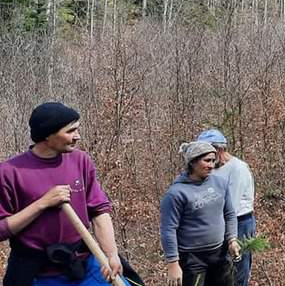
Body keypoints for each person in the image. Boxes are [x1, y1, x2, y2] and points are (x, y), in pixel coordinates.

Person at [0, 102, 134, 286]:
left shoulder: (81, 161)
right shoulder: (10, 172)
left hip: (84, 263)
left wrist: (111, 254)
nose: (77, 136)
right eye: (70, 131)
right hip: (37, 273)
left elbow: (100, 211)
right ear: (47, 135)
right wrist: (42, 203)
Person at [160, 141, 240, 286]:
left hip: (220, 255)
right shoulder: (176, 193)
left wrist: (232, 239)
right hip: (192, 259)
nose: (211, 165)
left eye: (213, 160)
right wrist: (173, 263)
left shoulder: (220, 183)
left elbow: (229, 214)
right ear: (192, 162)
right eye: (206, 160)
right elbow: (168, 230)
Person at [196, 129, 255, 286]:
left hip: (239, 223)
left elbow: (231, 207)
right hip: (216, 223)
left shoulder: (238, 169)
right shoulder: (212, 169)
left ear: (220, 150)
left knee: (236, 272)